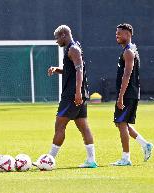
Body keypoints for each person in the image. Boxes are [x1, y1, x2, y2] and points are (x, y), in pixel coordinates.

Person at [44, 25, 97, 168]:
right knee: (83, 127)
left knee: (59, 125)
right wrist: (57, 69)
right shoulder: (72, 48)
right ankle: (91, 161)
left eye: (57, 38)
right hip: (77, 94)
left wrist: (78, 92)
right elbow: (72, 70)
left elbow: (79, 71)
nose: (56, 42)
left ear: (63, 35)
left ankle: (49, 160)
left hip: (72, 95)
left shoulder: (73, 49)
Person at [111, 23, 153, 166]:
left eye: (119, 33)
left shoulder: (128, 52)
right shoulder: (130, 49)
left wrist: (121, 96)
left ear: (128, 34)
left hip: (128, 94)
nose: (116, 35)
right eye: (116, 33)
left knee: (121, 123)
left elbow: (127, 74)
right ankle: (145, 144)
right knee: (120, 123)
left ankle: (126, 158)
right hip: (129, 93)